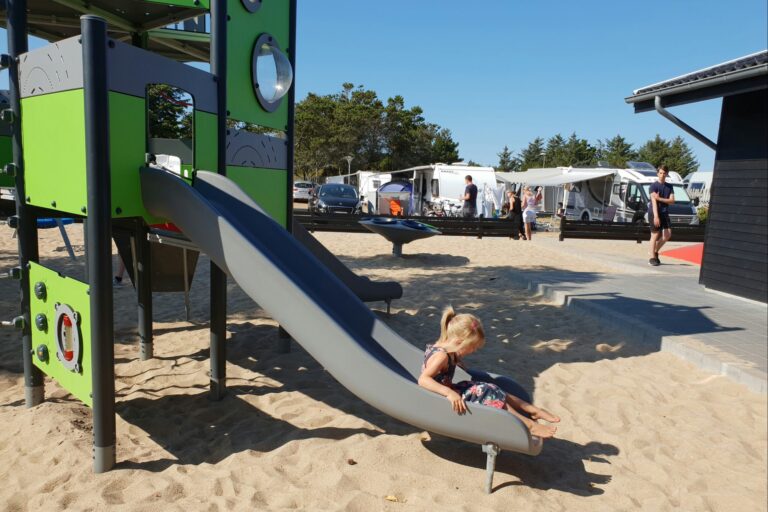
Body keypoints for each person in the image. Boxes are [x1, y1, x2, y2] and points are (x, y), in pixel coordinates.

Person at [418, 306, 560, 439]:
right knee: (489, 392)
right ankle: (529, 425)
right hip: (441, 399)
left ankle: (532, 410)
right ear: (458, 342)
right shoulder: (442, 356)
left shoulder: (447, 349)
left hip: (451, 391)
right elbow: (423, 379)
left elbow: (443, 367)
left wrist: (457, 362)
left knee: (492, 388)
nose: (473, 350)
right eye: (472, 347)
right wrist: (449, 393)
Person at [648, 165, 674, 266]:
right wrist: (656, 216)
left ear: (667, 174)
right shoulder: (653, 186)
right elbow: (654, 202)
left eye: (664, 173)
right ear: (657, 173)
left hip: (664, 212)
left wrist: (660, 199)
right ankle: (652, 257)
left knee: (668, 234)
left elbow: (672, 201)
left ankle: (655, 250)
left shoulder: (670, 187)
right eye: (661, 173)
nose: (662, 175)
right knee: (655, 235)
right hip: (654, 213)